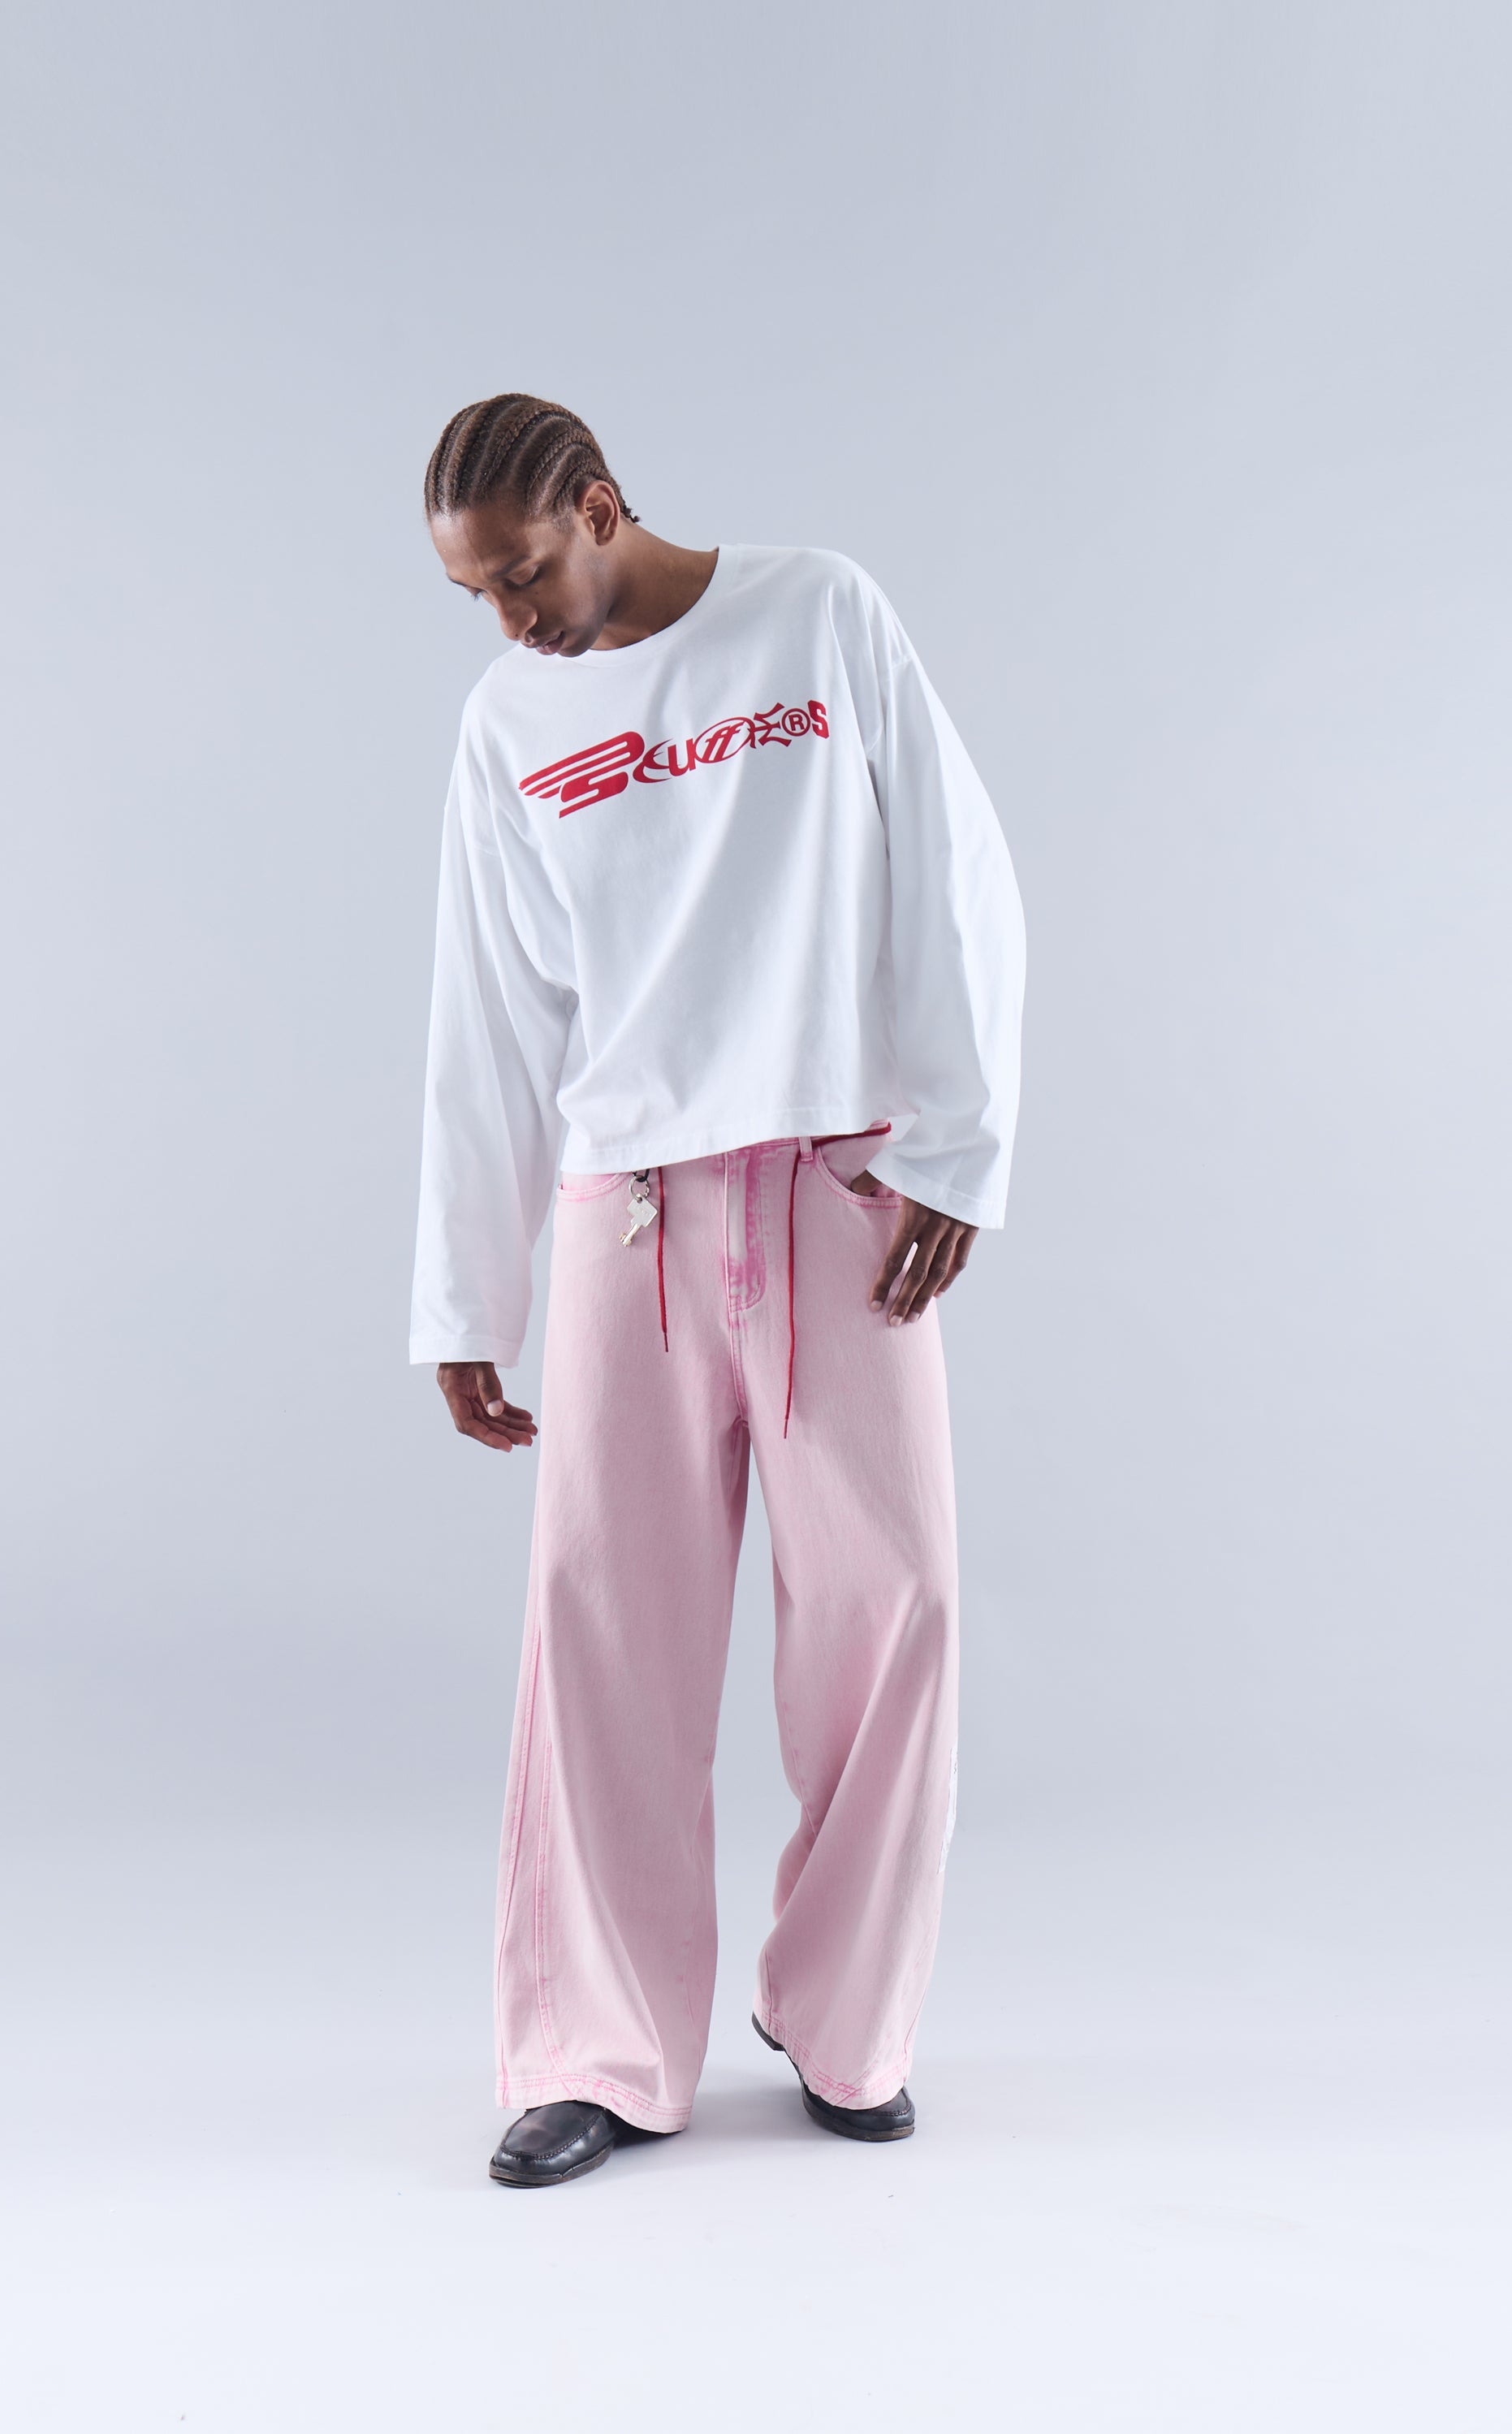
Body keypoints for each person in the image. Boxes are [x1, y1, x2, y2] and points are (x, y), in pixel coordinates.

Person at [411, 394, 1025, 2189]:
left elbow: (954, 867)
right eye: (475, 595)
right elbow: (488, 1014)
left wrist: (957, 1145)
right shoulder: (508, 722)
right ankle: (593, 2047)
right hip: (631, 1221)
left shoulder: (816, 614)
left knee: (893, 1610)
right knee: (603, 1627)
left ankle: (845, 2018)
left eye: (522, 574)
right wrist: (468, 1295)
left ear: (599, 506)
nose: (509, 620)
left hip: (842, 1190)